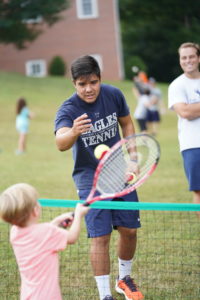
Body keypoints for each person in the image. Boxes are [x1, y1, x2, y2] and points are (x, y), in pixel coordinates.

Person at [54, 55, 144, 300]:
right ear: (74, 84)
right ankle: (105, 295)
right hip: (89, 178)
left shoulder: (113, 95)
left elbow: (126, 123)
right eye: (82, 84)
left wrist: (133, 158)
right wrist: (73, 131)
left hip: (119, 172)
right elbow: (60, 142)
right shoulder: (69, 109)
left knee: (129, 230)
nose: (88, 88)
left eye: (93, 82)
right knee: (100, 235)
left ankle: (124, 279)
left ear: (100, 79)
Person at [0, 183, 89, 300]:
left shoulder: (15, 232)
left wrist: (56, 222)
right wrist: (78, 215)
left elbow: (40, 236)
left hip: (28, 295)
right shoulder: (47, 231)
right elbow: (71, 237)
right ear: (35, 211)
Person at [168, 42, 200, 218]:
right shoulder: (177, 85)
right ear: (180, 60)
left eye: (191, 56)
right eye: (184, 57)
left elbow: (191, 109)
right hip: (193, 145)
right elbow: (185, 112)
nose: (188, 60)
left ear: (198, 58)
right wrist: (191, 110)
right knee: (199, 191)